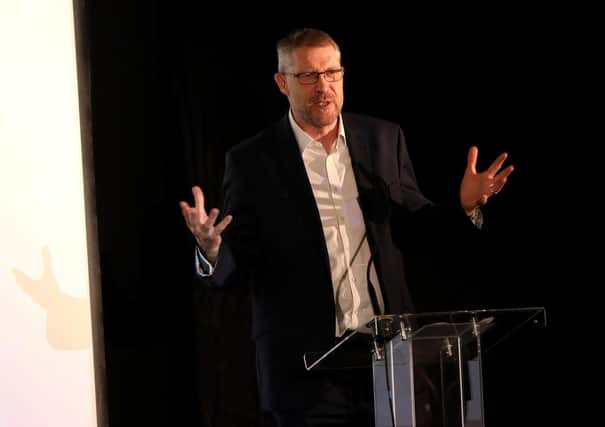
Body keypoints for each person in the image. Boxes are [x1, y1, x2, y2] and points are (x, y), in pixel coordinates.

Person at [180, 28, 513, 427]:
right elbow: (241, 261)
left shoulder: (382, 138)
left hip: (390, 361)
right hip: (307, 372)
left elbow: (419, 227)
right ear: (282, 83)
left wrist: (464, 206)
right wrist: (212, 248)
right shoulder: (253, 161)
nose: (324, 86)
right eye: (308, 76)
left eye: (332, 73)